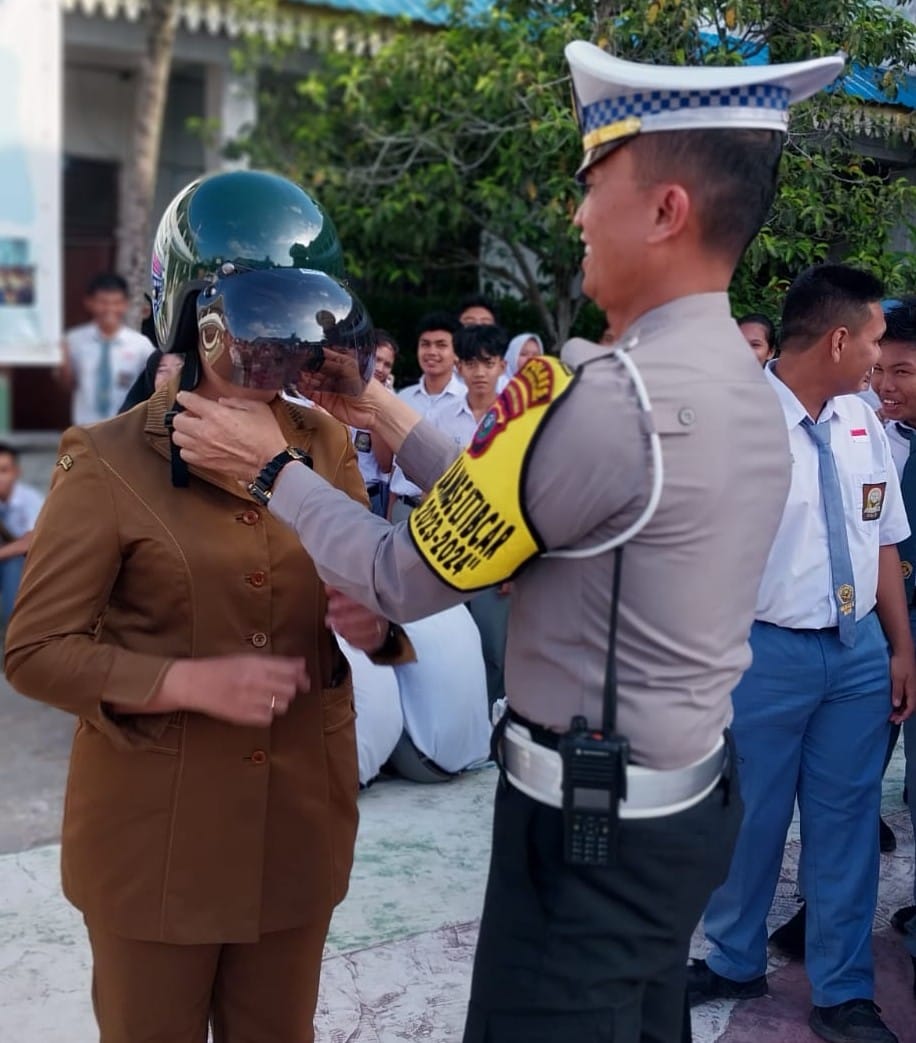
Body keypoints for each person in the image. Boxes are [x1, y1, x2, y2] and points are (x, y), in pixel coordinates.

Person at [170, 43, 845, 1043]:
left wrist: (270, 471)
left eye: (594, 181)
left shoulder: (615, 398)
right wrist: (383, 413)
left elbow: (404, 576)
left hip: (587, 830)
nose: (576, 213)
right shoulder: (731, 384)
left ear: (665, 210)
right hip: (678, 803)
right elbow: (538, 513)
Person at [4, 169, 412, 1043]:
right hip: (157, 844)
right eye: (254, 332)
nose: (275, 362)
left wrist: (376, 628)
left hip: (297, 828)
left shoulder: (326, 441)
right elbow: (34, 648)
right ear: (195, 319)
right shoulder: (109, 459)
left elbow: (373, 582)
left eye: (297, 330)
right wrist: (185, 683)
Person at [690, 265, 914, 1043]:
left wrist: (899, 646)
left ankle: (843, 991)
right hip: (761, 651)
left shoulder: (864, 425)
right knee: (747, 818)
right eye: (877, 343)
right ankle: (733, 955)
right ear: (840, 338)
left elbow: (882, 538)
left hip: (855, 655)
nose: (882, 362)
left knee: (847, 822)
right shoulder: (732, 421)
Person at [869, 296, 916, 1000]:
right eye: (880, 369)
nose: (886, 384)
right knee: (852, 787)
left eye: (902, 370)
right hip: (877, 636)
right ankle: (826, 912)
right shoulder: (872, 435)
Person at [435, 323, 512, 709]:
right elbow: (421, 483)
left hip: (497, 545)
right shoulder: (442, 418)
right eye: (471, 363)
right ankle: (456, 724)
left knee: (495, 646)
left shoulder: (517, 420)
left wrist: (514, 562)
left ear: (502, 366)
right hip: (447, 544)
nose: (480, 372)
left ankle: (492, 725)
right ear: (459, 368)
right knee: (446, 645)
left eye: (489, 363)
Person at [343, 603, 491, 786]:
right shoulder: (445, 593)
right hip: (474, 751)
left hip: (422, 761)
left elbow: (379, 703)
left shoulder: (371, 605)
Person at [388, 311, 465, 522]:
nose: (432, 352)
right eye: (425, 344)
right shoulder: (402, 398)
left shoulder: (466, 401)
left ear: (456, 353)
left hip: (449, 514)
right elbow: (394, 466)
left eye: (441, 345)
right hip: (404, 510)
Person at [59, 272, 154, 425]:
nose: (109, 308)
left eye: (116, 302)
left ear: (125, 304)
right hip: (86, 426)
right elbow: (68, 384)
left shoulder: (141, 345)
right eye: (103, 302)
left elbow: (150, 387)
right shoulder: (74, 340)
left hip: (126, 426)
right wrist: (62, 361)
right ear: (89, 302)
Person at [351, 330, 397, 516]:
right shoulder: (338, 392)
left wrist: (376, 417)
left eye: (387, 364)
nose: (380, 368)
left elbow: (385, 464)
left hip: (370, 497)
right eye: (377, 359)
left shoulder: (392, 403)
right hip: (334, 493)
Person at [0, 443, 44, 625]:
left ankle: (12, 629)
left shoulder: (30, 498)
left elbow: (31, 540)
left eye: (3, 470)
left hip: (29, 566)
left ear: (16, 472)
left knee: (13, 563)